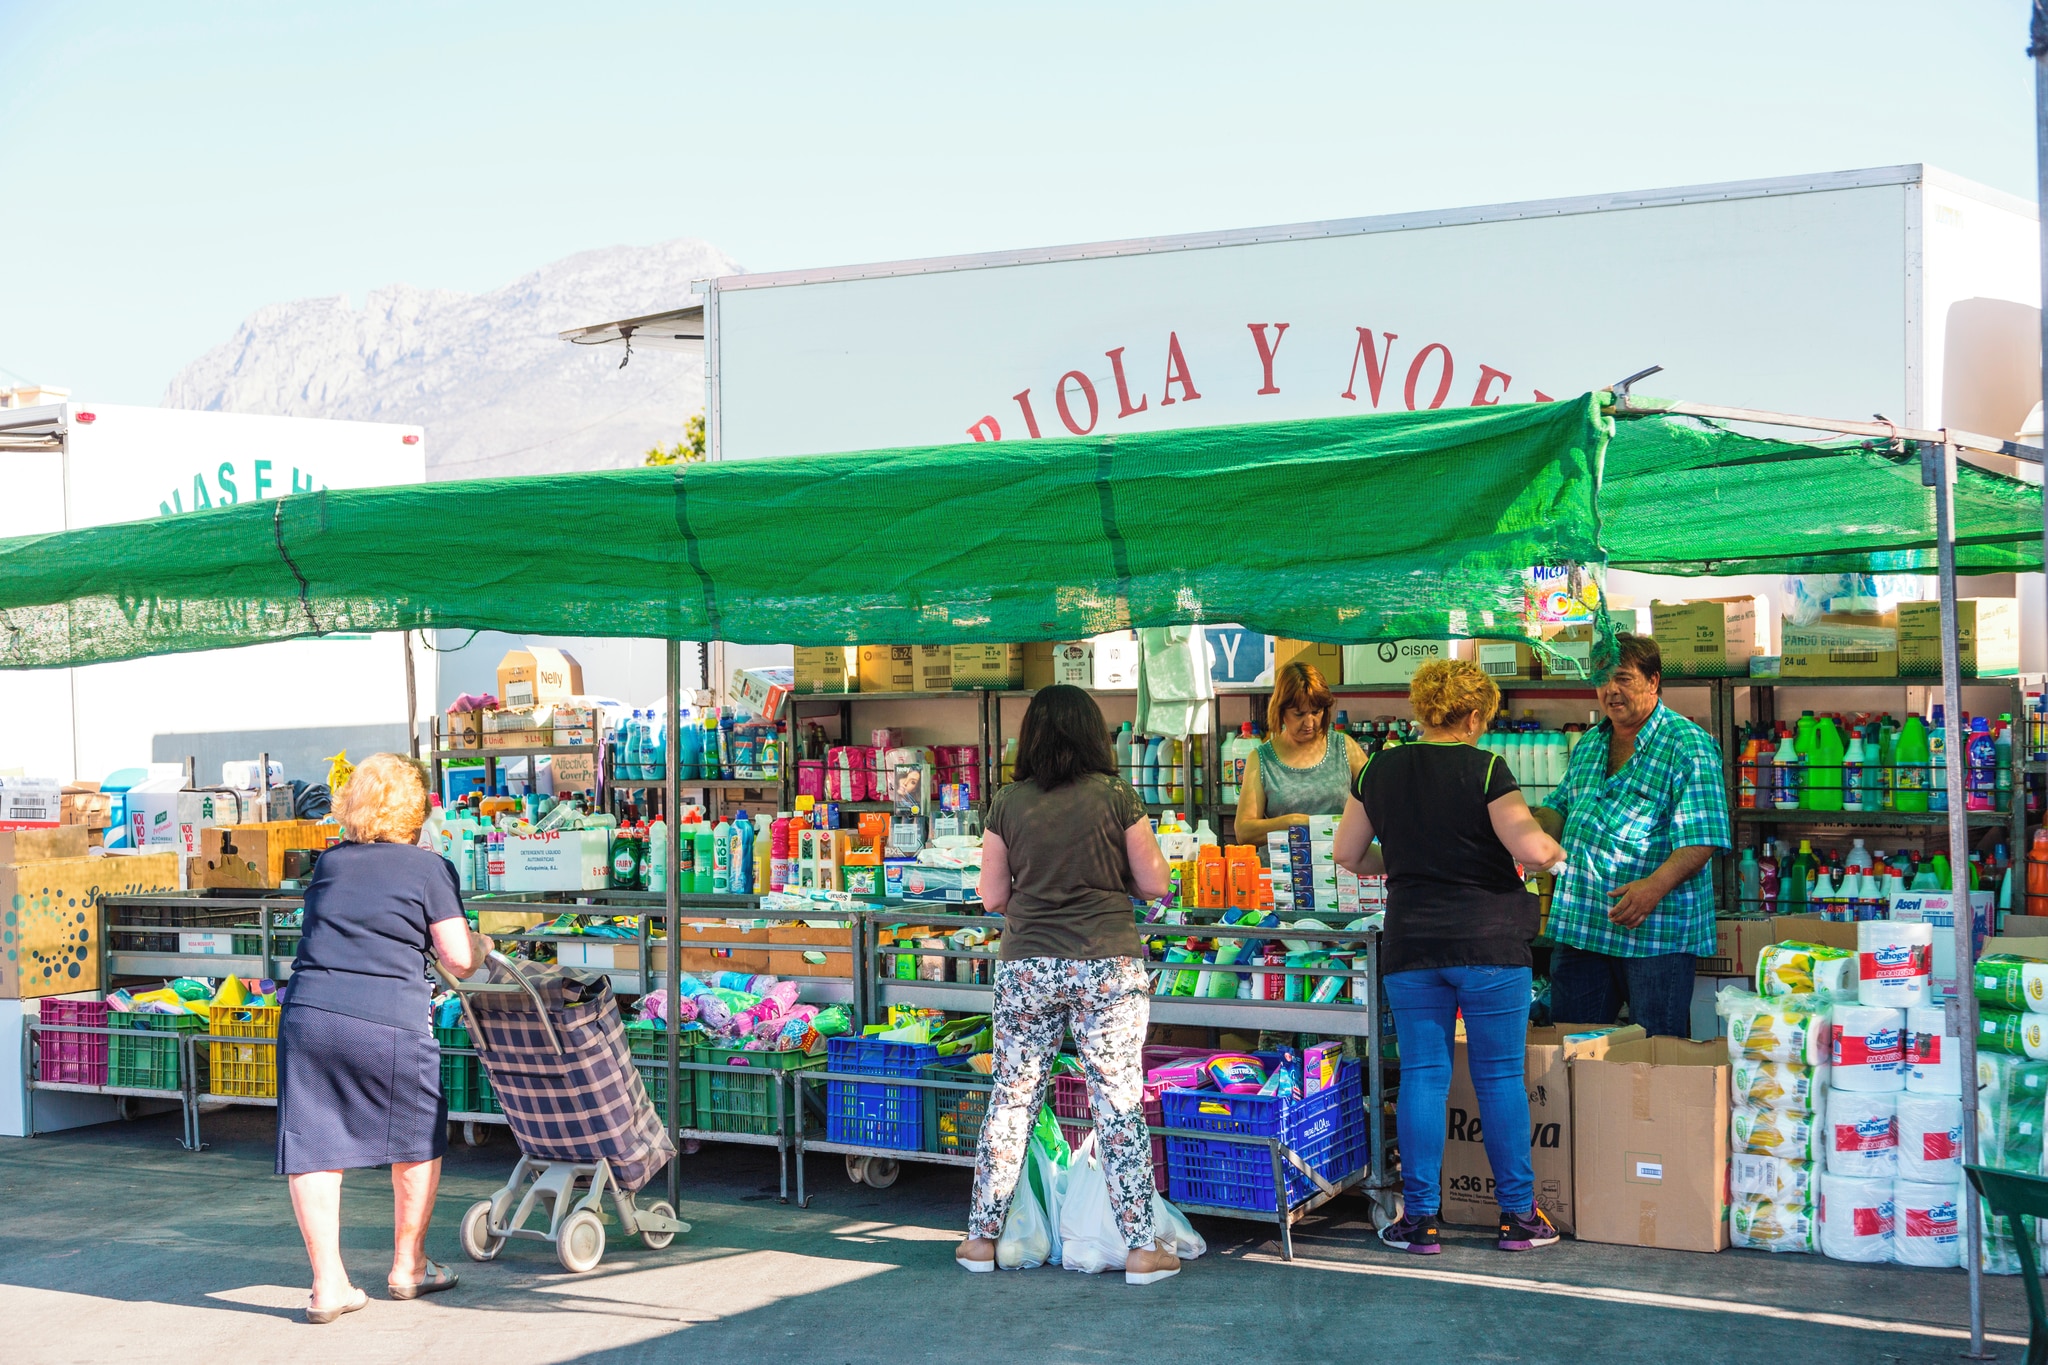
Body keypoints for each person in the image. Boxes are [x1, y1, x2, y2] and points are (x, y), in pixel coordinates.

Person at [1335, 657, 1565, 1255]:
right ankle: (1518, 1217)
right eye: (1482, 719)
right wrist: (1553, 848)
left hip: (1413, 943)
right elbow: (1531, 848)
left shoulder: (1379, 768)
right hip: (1489, 944)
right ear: (1468, 715)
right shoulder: (1484, 767)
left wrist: (1415, 861)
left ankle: (1421, 1220)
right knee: (1498, 1078)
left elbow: (1350, 855)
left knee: (1422, 1079)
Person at [955, 684, 1181, 1285]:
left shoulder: (1007, 803)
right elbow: (1155, 883)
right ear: (1091, 734)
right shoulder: (1116, 796)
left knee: (1011, 1099)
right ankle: (1140, 1249)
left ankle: (980, 1239)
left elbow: (994, 895)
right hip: (1106, 965)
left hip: (1026, 964)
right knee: (1117, 1103)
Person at [277, 753, 492, 1324]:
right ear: (414, 810)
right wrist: (484, 946)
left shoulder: (330, 864)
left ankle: (328, 1287)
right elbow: (458, 958)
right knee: (416, 1136)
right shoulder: (428, 869)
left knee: (316, 1145)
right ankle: (409, 1268)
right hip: (387, 1019)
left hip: (310, 1014)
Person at [1533, 633, 1731, 1039]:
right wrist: (1531, 838)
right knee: (1572, 1049)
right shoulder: (1591, 742)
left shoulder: (1686, 745)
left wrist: (1652, 888)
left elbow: (1703, 837)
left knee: (1654, 1050)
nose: (1611, 690)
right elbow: (1559, 806)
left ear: (1654, 681)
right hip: (1583, 925)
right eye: (1602, 678)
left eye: (1623, 678)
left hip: (1653, 932)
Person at [1234, 660, 1367, 842]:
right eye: (1299, 714)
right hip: (1283, 868)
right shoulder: (1262, 759)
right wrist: (1293, 822)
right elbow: (1244, 832)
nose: (1309, 723)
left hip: (1339, 866)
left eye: (1316, 712)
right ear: (1280, 711)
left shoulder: (1345, 747)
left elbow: (1379, 803)